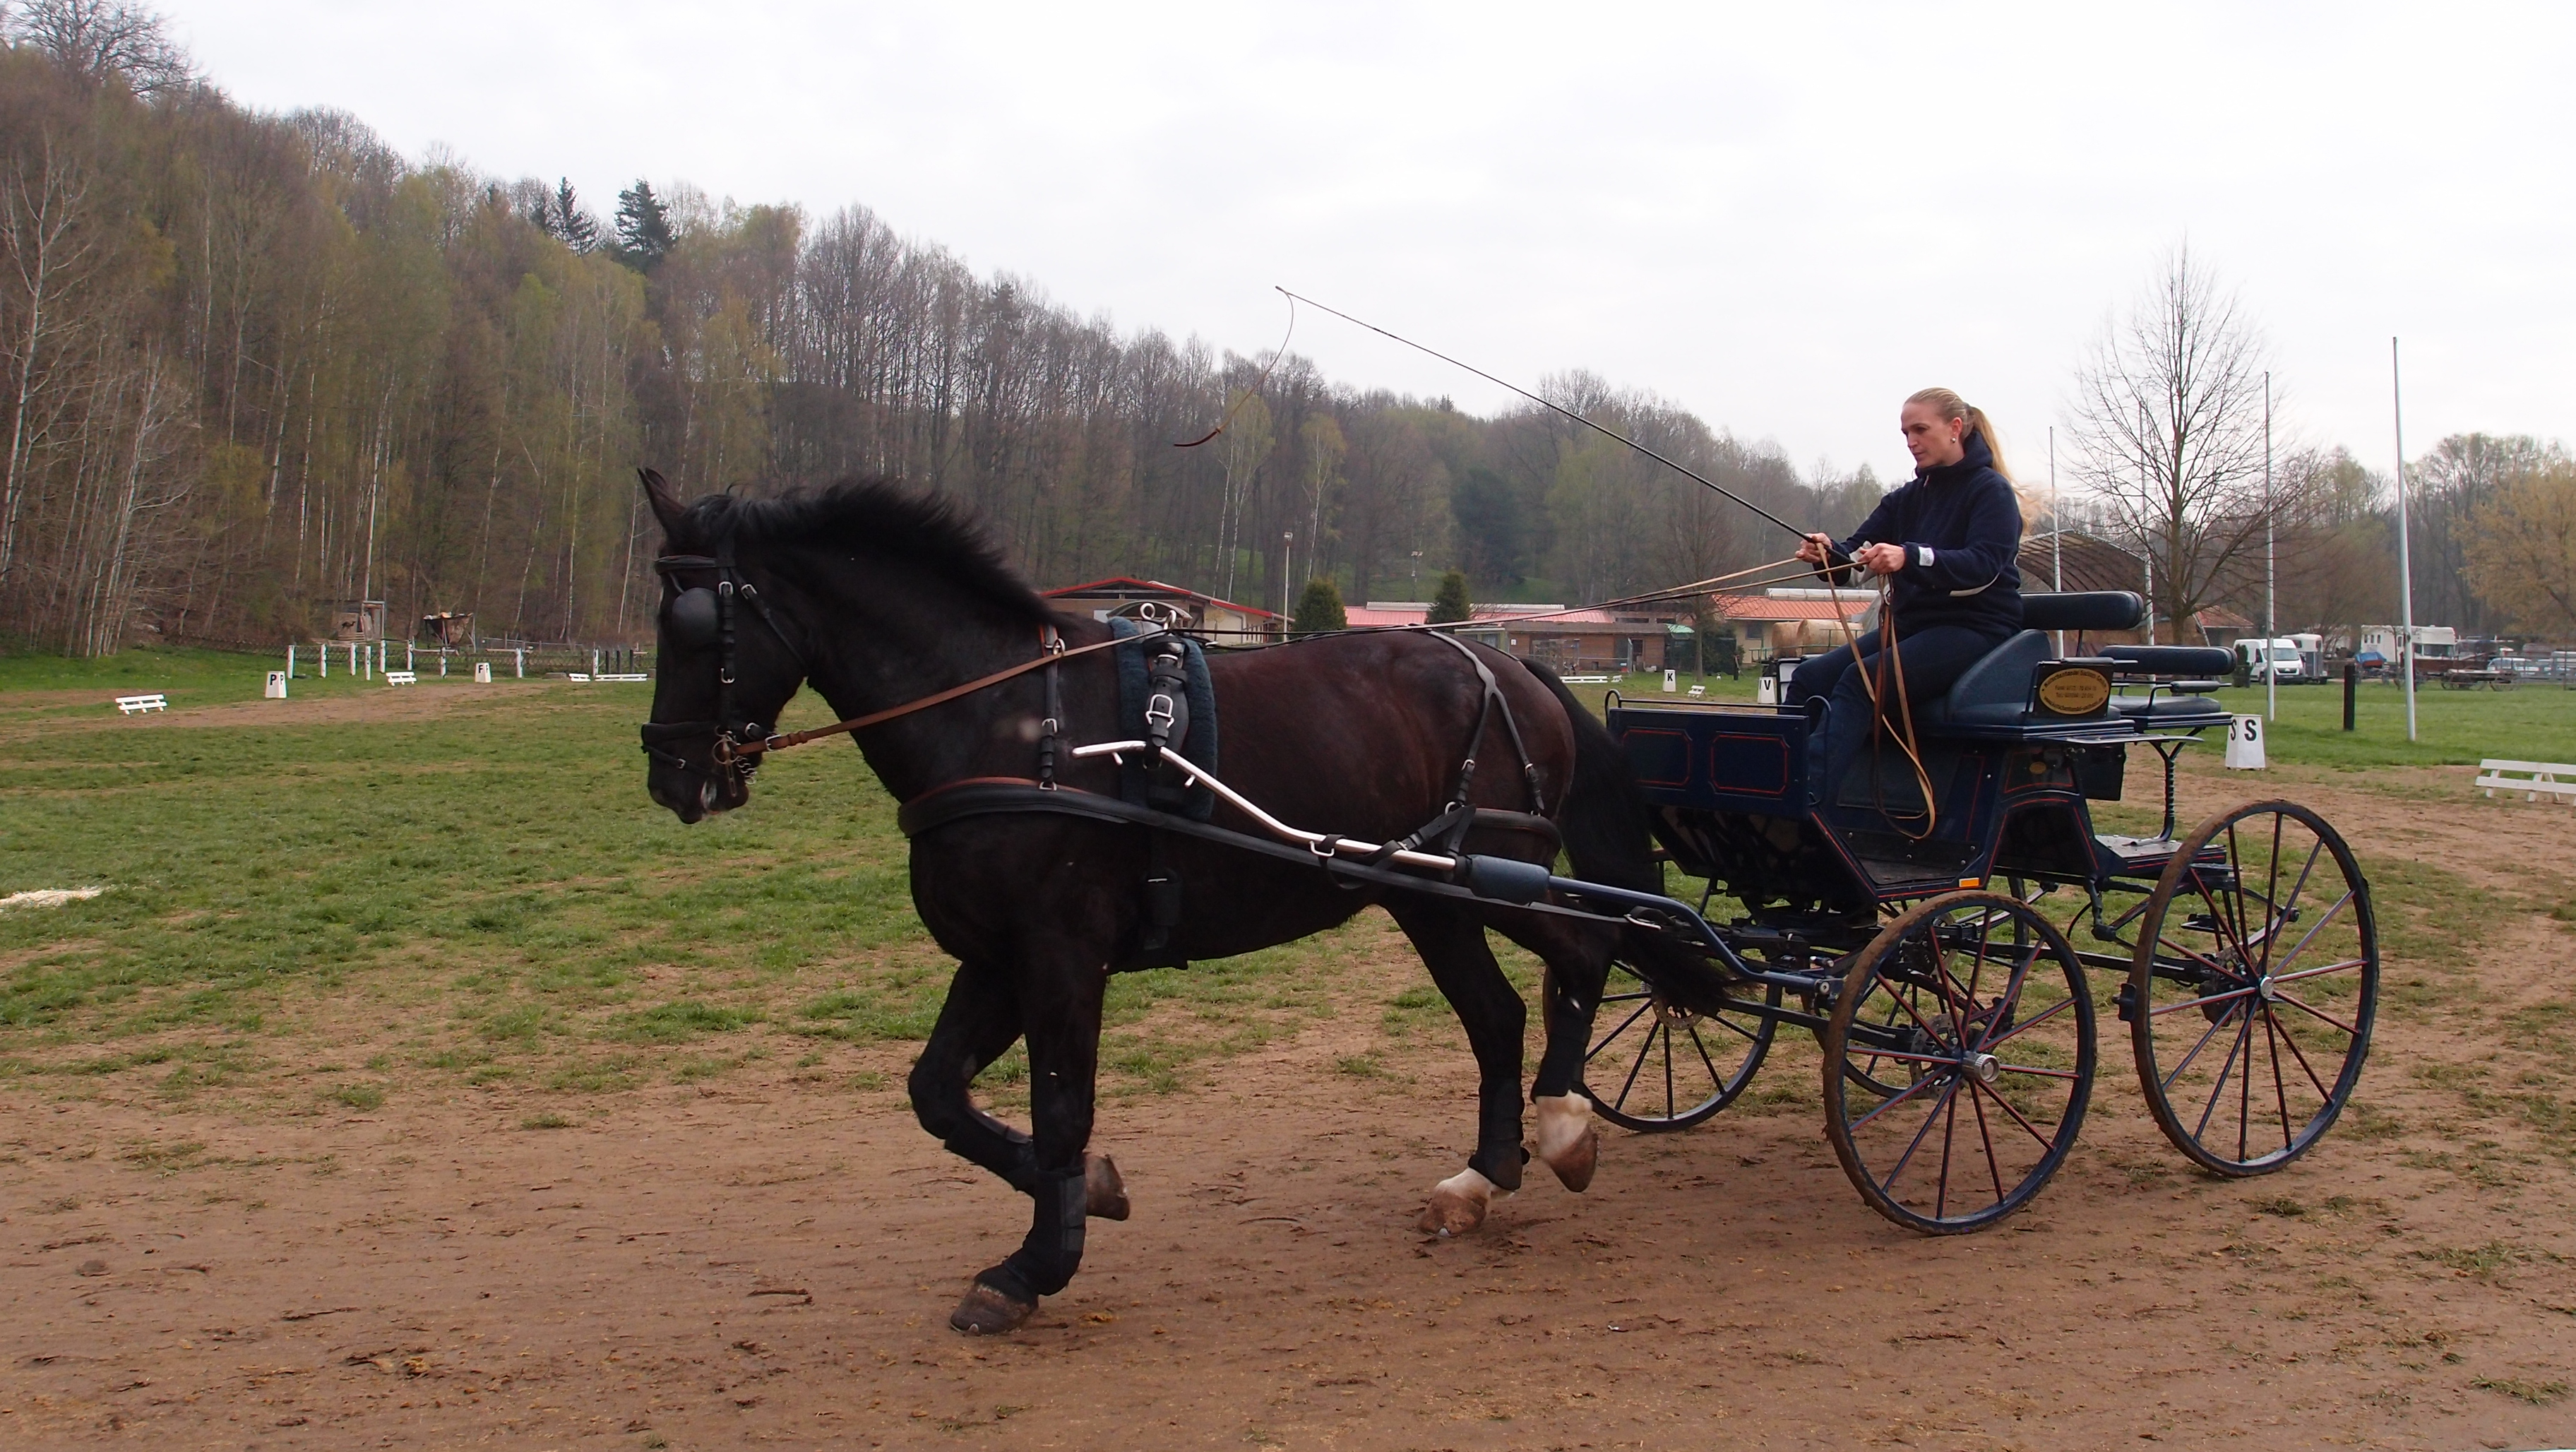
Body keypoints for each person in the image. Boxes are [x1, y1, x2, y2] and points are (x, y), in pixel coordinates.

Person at [1788, 388, 2025, 795]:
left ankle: (1806, 797)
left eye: (1920, 430)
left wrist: (1910, 557)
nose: (1912, 442)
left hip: (1975, 631)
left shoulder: (1991, 491)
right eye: (1905, 433)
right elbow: (1855, 555)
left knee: (1861, 682)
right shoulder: (1906, 499)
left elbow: (1984, 564)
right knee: (1809, 678)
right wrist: (1827, 555)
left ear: (1955, 429)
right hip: (1913, 631)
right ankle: (1774, 781)